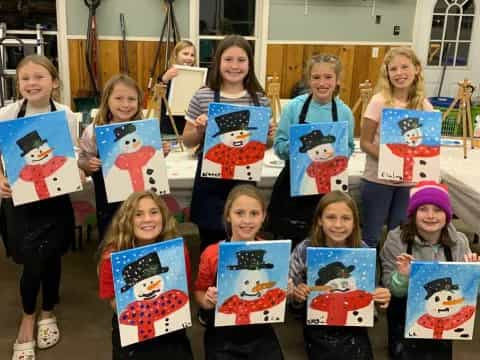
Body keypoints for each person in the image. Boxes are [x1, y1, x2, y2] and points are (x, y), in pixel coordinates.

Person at [0, 54, 77, 360]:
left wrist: (80, 169)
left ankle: (48, 311)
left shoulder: (67, 115)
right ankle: (28, 316)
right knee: (31, 262)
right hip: (20, 202)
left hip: (55, 200)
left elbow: (70, 156)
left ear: (54, 82)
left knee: (53, 256)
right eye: (25, 78)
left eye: (39, 77)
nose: (31, 83)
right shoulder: (6, 115)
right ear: (18, 84)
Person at [183, 34, 273, 252]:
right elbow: (187, 140)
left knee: (242, 237)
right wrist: (199, 130)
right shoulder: (203, 95)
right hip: (210, 179)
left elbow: (266, 145)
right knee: (210, 240)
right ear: (218, 62)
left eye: (241, 60)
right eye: (228, 59)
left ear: (250, 64)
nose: (235, 66)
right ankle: (209, 283)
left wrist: (268, 135)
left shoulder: (259, 99)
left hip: (243, 180)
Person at [380, 181, 478, 360]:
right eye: (423, 209)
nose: (431, 216)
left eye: (438, 210)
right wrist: (402, 277)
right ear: (413, 213)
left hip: (444, 321)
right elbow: (390, 289)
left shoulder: (460, 242)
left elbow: (468, 296)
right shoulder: (396, 240)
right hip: (403, 322)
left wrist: (472, 275)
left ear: (447, 215)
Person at [289, 191, 391, 360]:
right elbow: (291, 294)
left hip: (355, 327)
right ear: (320, 220)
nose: (338, 224)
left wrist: (381, 296)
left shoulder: (363, 251)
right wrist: (297, 295)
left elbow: (371, 291)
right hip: (318, 328)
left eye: (345, 218)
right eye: (330, 217)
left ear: (354, 222)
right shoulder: (304, 249)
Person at [268, 54, 355, 245]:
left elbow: (349, 147)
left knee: (323, 240)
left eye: (328, 77)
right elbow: (279, 146)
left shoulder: (344, 112)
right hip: (294, 184)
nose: (322, 83)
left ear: (337, 80)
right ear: (309, 79)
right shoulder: (294, 108)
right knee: (291, 241)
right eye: (316, 77)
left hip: (329, 188)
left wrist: (339, 153)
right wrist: (297, 150)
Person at [98, 191, 193, 360]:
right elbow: (113, 301)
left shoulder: (178, 251)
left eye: (154, 212)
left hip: (172, 331)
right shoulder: (111, 256)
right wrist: (146, 314)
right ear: (127, 220)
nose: (148, 219)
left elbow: (183, 288)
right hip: (133, 333)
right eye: (138, 214)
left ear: (163, 216)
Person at [194, 184, 284, 359]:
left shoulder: (273, 253)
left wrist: (285, 290)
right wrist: (206, 301)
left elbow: (279, 302)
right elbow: (199, 291)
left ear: (263, 216)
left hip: (261, 332)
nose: (247, 221)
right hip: (222, 334)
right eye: (239, 213)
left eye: (254, 214)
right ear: (228, 215)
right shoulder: (212, 253)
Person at [359, 46, 433, 248]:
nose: (399, 73)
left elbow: (427, 147)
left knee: (399, 236)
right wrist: (391, 160)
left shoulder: (424, 107)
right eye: (393, 69)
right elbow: (365, 142)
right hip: (378, 180)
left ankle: (393, 276)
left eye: (405, 67)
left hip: (408, 183)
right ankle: (369, 277)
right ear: (387, 73)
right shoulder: (379, 101)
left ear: (416, 69)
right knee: (371, 235)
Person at [79, 74, 168, 240]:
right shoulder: (94, 130)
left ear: (138, 102)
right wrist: (88, 164)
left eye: (131, 99)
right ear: (107, 100)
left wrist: (162, 150)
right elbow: (82, 160)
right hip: (109, 204)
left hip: (142, 203)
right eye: (119, 98)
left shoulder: (146, 129)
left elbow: (152, 161)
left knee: (143, 240)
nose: (125, 104)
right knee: (112, 240)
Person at [159, 40, 197, 135]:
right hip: (170, 125)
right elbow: (156, 97)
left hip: (190, 123)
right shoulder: (167, 74)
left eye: (192, 55)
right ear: (176, 55)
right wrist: (164, 79)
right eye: (185, 54)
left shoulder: (197, 77)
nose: (189, 58)